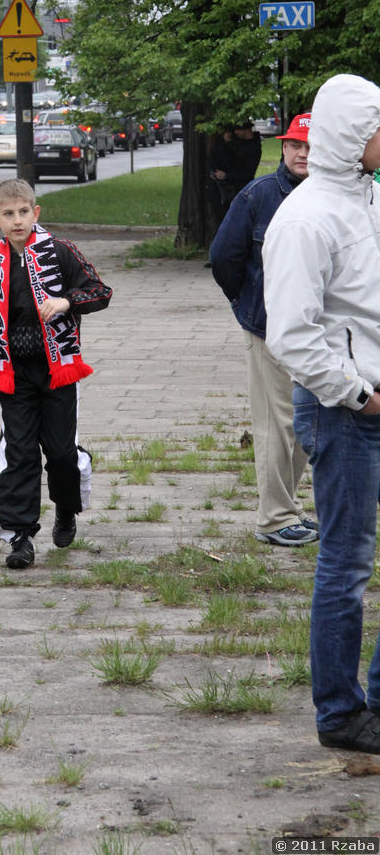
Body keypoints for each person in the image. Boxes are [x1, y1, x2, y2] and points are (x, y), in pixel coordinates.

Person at [263, 74, 380, 754]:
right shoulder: (306, 218)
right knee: (347, 561)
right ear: (349, 134)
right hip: (345, 412)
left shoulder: (369, 199)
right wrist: (359, 394)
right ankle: (340, 713)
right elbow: (293, 335)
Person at [0, 178, 111, 568]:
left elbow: (99, 290)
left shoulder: (60, 252)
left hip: (58, 370)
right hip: (14, 373)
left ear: (35, 213)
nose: (17, 220)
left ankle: (66, 507)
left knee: (60, 451)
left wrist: (65, 301)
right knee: (20, 451)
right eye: (9, 214)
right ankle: (19, 536)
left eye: (24, 212)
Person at [209, 113, 316, 546]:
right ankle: (274, 518)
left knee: (305, 422)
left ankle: (287, 508)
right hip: (269, 330)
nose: (302, 154)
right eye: (295, 145)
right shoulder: (259, 195)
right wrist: (250, 309)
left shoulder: (334, 196)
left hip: (317, 334)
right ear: (283, 148)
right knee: (278, 423)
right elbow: (224, 258)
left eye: (310, 146)